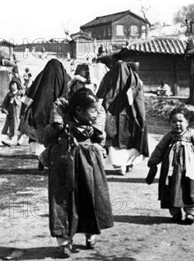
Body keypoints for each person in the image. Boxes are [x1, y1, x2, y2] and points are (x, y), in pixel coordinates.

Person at [43, 88, 114, 257]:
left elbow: (101, 137)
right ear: (78, 110)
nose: (96, 114)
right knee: (62, 200)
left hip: (89, 164)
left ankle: (91, 235)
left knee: (91, 196)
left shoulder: (94, 123)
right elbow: (47, 137)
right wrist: (58, 124)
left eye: (97, 110)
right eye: (92, 111)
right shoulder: (61, 122)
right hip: (64, 163)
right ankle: (64, 242)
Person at [146, 106, 194, 225]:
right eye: (174, 122)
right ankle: (175, 212)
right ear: (170, 123)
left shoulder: (192, 134)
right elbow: (159, 149)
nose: (177, 124)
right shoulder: (169, 136)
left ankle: (191, 213)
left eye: (180, 121)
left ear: (187, 122)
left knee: (192, 188)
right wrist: (153, 163)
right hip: (172, 169)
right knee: (172, 189)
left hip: (192, 168)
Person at [96, 60, 149, 175]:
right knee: (130, 138)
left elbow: (100, 93)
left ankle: (121, 165)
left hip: (113, 113)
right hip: (131, 114)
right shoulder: (134, 78)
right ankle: (128, 164)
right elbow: (139, 100)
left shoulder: (110, 75)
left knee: (115, 140)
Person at [19, 58, 71, 165]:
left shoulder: (41, 78)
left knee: (42, 136)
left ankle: (41, 157)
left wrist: (23, 111)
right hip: (58, 114)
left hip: (40, 111)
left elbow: (30, 94)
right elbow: (70, 93)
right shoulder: (66, 78)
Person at [1, 80, 24, 146]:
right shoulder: (9, 95)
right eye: (11, 85)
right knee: (11, 127)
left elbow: (25, 102)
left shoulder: (21, 93)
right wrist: (4, 109)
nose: (12, 86)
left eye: (14, 84)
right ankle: (9, 139)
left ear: (17, 85)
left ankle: (20, 138)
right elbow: (5, 103)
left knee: (20, 126)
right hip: (11, 114)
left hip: (19, 113)